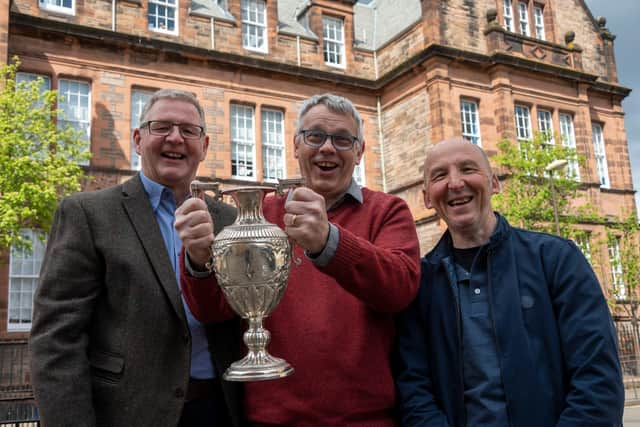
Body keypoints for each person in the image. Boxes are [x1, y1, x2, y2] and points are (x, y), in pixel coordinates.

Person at [175, 93, 421, 426]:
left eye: (343, 139)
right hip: (271, 419)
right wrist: (197, 259)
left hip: (364, 419)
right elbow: (214, 310)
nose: (327, 148)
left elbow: (400, 288)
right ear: (295, 145)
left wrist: (328, 241)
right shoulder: (260, 215)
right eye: (315, 136)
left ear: (360, 152)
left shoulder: (387, 211)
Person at [29, 89, 244, 427]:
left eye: (189, 130)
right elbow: (57, 340)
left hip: (217, 410)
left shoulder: (230, 221)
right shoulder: (89, 213)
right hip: (125, 414)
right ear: (137, 139)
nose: (175, 137)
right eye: (161, 127)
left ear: (204, 146)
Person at [395, 138, 624, 426]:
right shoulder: (420, 284)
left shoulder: (556, 260)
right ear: (427, 197)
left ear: (494, 183)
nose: (455, 183)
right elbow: (414, 391)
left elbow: (598, 380)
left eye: (468, 169)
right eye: (440, 175)